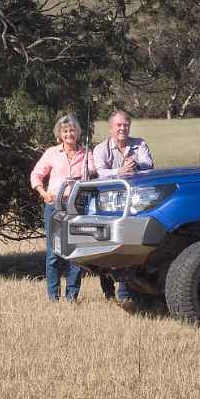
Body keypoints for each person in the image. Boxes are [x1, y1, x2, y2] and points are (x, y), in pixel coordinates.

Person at [92, 110, 154, 301]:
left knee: (128, 246)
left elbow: (150, 165)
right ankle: (108, 291)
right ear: (110, 128)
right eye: (118, 125)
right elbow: (100, 172)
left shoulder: (140, 144)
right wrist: (121, 170)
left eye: (126, 124)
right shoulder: (101, 149)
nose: (122, 128)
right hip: (108, 206)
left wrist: (136, 165)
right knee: (106, 247)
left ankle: (126, 291)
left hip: (134, 204)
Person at [30, 114, 92, 301]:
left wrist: (88, 174)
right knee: (54, 252)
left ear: (77, 132)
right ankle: (53, 296)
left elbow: (93, 174)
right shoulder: (51, 153)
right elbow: (36, 175)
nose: (69, 134)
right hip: (55, 206)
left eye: (72, 130)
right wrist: (44, 194)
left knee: (75, 251)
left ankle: (72, 296)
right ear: (59, 134)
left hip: (77, 206)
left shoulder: (86, 154)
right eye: (65, 131)